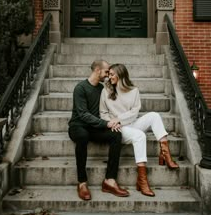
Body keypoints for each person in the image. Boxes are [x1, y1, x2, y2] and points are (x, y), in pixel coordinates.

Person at [99, 63, 179, 197]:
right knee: (140, 136)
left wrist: (118, 118)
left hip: (130, 123)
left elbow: (134, 112)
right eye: (109, 74)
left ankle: (165, 153)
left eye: (112, 74)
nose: (109, 77)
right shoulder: (105, 90)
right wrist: (112, 123)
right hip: (118, 129)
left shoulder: (133, 90)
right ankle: (142, 181)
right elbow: (103, 112)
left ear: (120, 75)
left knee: (154, 115)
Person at [68, 60, 129, 201]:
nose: (108, 75)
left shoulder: (102, 89)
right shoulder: (80, 88)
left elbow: (114, 103)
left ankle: (110, 180)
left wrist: (114, 122)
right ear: (97, 70)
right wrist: (106, 123)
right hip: (78, 126)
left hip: (95, 127)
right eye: (106, 71)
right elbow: (83, 115)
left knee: (116, 135)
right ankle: (82, 182)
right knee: (82, 136)